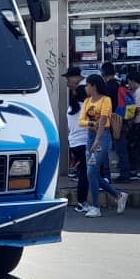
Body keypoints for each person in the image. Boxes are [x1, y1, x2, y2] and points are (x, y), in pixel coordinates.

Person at [79, 74, 129, 218]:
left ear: (93, 85)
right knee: (92, 173)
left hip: (103, 136)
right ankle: (118, 195)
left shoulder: (106, 100)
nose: (86, 88)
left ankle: (96, 206)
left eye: (87, 85)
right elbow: (81, 121)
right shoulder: (87, 101)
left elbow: (104, 119)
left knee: (91, 171)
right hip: (90, 135)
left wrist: (97, 140)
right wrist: (91, 124)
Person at [64, 68, 90, 211]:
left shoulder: (71, 108)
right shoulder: (85, 109)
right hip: (85, 143)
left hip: (74, 143)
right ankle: (81, 203)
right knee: (85, 175)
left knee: (87, 172)